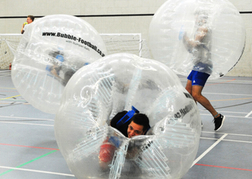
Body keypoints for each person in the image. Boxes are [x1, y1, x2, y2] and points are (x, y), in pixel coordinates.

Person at [182, 10, 225, 131]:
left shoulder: (204, 29)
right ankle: (195, 120)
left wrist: (185, 36)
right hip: (197, 64)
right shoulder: (198, 30)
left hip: (204, 64)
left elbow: (194, 44)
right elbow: (191, 48)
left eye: (197, 17)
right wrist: (183, 40)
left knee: (196, 94)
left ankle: (217, 116)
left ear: (203, 18)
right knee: (188, 92)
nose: (196, 20)